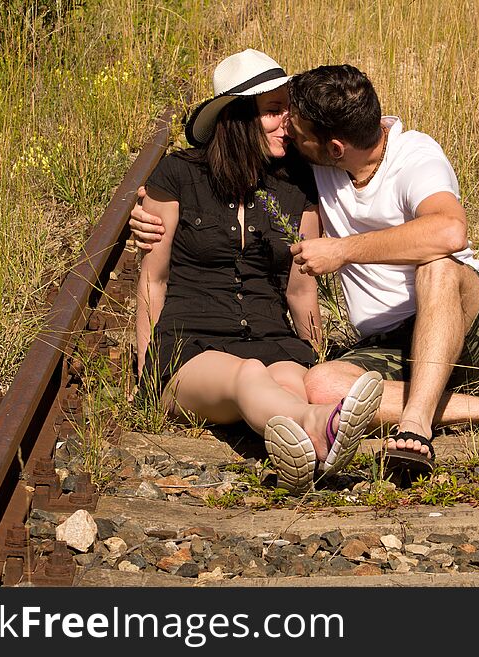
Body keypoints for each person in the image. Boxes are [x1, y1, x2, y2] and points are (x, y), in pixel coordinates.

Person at [131, 62, 479, 483]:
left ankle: (413, 427)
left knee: (435, 265)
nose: (287, 125)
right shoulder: (306, 168)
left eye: (291, 116)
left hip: (467, 322)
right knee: (317, 383)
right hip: (383, 343)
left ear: (334, 148)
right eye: (274, 112)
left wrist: (343, 251)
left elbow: (449, 231)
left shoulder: (407, 156)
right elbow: (160, 268)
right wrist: (144, 211)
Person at [134, 49, 383, 495]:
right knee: (248, 373)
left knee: (291, 380)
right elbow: (153, 279)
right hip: (191, 345)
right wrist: (147, 367)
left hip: (273, 337)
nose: (286, 121)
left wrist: (314, 355)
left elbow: (301, 291)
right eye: (273, 111)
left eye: (288, 107)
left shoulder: (297, 183)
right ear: (237, 117)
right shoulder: (177, 174)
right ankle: (320, 427)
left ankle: (306, 454)